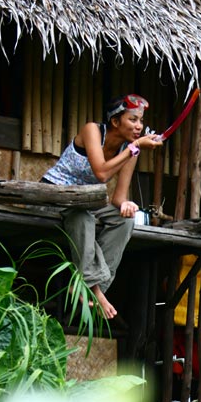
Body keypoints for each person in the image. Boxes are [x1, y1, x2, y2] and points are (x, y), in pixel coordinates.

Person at [40, 94, 163, 319]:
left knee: (124, 221)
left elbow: (118, 197)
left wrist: (126, 205)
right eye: (133, 120)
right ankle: (94, 289)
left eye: (141, 121)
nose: (139, 126)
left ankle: (89, 286)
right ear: (115, 121)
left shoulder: (130, 149)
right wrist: (135, 147)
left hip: (88, 201)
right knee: (83, 214)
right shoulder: (92, 131)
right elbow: (102, 172)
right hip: (54, 195)